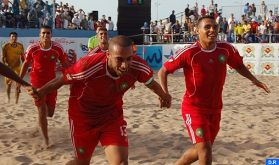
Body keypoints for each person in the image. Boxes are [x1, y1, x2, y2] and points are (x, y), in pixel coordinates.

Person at [30, 35, 171, 165]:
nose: (125, 65)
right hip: (82, 118)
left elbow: (150, 83)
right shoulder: (87, 66)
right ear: (108, 55)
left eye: (129, 58)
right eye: (119, 59)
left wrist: (164, 95)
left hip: (111, 117)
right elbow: (61, 80)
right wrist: (42, 91)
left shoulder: (137, 66)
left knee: (121, 162)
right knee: (82, 162)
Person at [158, 16, 270, 165]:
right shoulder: (189, 52)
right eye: (207, 27)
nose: (212, 30)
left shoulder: (226, 49)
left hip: (216, 108)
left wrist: (254, 80)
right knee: (205, 148)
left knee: (202, 149)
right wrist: (165, 94)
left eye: (215, 27)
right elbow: (163, 71)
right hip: (194, 109)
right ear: (197, 31)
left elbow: (239, 66)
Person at [18, 25, 71, 147]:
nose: (45, 35)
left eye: (48, 33)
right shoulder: (33, 48)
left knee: (50, 113)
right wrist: (19, 81)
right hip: (36, 83)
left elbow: (65, 64)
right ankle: (46, 140)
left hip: (52, 83)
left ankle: (40, 124)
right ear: (39, 35)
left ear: (51, 35)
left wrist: (71, 78)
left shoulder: (57, 48)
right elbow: (26, 64)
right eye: (43, 33)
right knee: (42, 109)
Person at [2, 32, 25, 103]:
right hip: (9, 68)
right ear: (10, 37)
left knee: (18, 85)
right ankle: (8, 98)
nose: (14, 38)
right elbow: (3, 57)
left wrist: (24, 66)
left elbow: (23, 58)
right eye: (12, 36)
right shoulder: (5, 46)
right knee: (8, 84)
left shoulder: (20, 46)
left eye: (15, 36)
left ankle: (16, 101)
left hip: (18, 68)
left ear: (17, 38)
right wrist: (5, 66)